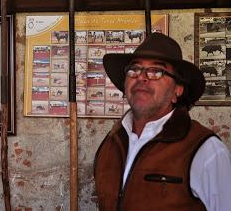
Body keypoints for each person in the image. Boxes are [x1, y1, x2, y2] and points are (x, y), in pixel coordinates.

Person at [94, 33, 231, 210]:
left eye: (156, 71)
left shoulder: (206, 151)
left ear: (177, 91)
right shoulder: (111, 142)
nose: (141, 77)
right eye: (134, 69)